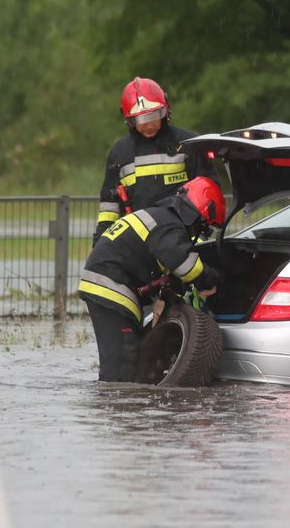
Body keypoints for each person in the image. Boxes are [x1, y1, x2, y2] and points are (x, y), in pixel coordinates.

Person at [78, 177, 225, 383]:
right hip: (111, 286)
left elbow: (164, 268)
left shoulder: (160, 218)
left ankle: (118, 407)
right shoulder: (167, 225)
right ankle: (113, 407)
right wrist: (208, 280)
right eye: (204, 229)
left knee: (128, 354)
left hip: (106, 284)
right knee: (122, 361)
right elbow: (185, 263)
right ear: (199, 215)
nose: (199, 235)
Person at [93, 77, 218, 244]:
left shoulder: (189, 145)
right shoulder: (119, 153)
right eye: (140, 120)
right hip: (139, 243)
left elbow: (209, 192)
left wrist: (201, 237)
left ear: (166, 110)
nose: (148, 125)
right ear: (129, 120)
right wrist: (101, 242)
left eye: (154, 115)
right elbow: (109, 207)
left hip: (185, 239)